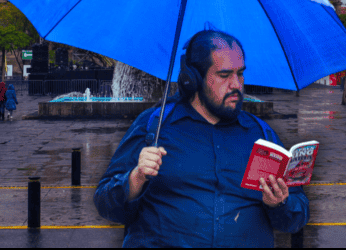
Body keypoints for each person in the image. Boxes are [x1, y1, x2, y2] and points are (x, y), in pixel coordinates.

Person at [94, 29, 309, 247]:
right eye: (224, 75)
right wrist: (136, 178)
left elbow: (296, 219)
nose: (236, 84)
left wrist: (280, 203)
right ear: (193, 79)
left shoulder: (261, 135)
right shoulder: (154, 127)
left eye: (240, 73)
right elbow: (105, 203)